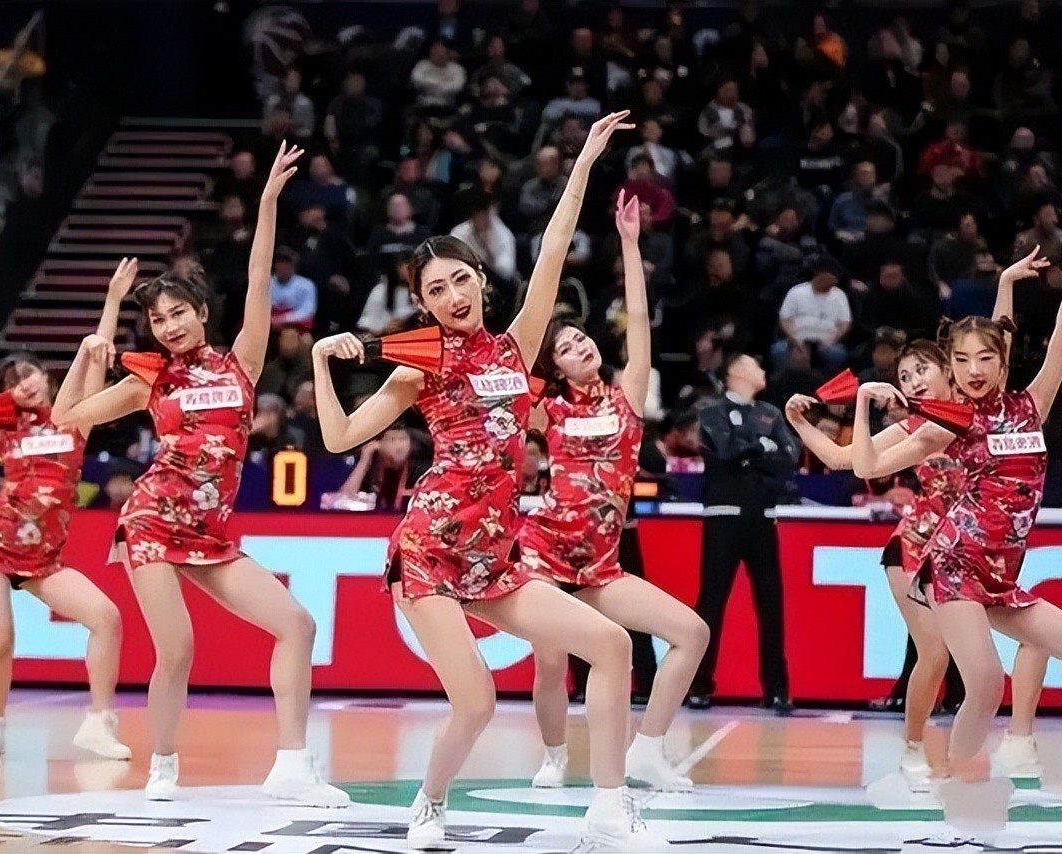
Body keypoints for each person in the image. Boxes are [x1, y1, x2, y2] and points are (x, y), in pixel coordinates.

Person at [310, 113, 665, 852]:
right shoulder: (418, 367)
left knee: (611, 645)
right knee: (474, 703)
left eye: (460, 279)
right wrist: (320, 362)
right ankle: (429, 804)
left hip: (496, 559)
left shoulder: (516, 346)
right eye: (435, 289)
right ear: (424, 304)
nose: (452, 295)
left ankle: (610, 804)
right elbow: (340, 438)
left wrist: (583, 163)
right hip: (431, 553)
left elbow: (554, 248)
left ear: (479, 281)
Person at [52, 145, 348, 807]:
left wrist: (267, 202)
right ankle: (162, 766)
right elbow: (67, 416)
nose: (169, 325)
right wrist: (88, 351)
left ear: (202, 312)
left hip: (211, 535)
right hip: (152, 521)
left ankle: (292, 766)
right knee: (178, 648)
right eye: (157, 320)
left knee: (297, 625)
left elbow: (259, 275)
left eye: (177, 312)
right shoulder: (150, 379)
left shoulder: (242, 362)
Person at [850, 215, 1062, 841]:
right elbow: (867, 466)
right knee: (984, 680)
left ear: (1002, 360)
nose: (974, 368)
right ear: (951, 368)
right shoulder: (949, 421)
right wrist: (867, 410)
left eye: (985, 357)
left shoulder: (1032, 401)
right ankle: (953, 795)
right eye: (961, 360)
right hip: (953, 566)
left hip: (1002, 578)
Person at [785, 248, 1049, 789]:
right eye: (904, 376)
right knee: (934, 650)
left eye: (921, 368)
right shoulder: (917, 427)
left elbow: (997, 341)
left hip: (972, 551)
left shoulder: (983, 409)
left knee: (1032, 641)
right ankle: (912, 748)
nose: (912, 380)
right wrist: (802, 424)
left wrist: (1005, 280)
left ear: (950, 368)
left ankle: (1017, 743)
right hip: (915, 546)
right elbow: (846, 461)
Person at [523, 193, 709, 794]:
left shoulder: (627, 394)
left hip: (601, 565)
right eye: (566, 348)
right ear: (555, 368)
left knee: (692, 634)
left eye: (582, 339)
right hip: (545, 554)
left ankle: (647, 752)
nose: (581, 347)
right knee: (551, 660)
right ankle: (554, 756)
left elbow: (640, 318)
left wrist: (630, 244)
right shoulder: (548, 410)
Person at [0, 259, 138, 760]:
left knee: (106, 618)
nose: (25, 384)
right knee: (1, 637)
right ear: (7, 392)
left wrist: (113, 300)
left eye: (30, 375)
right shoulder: (3, 433)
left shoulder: (74, 420)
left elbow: (96, 354)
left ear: (46, 377)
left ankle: (98, 724)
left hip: (43, 558)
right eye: (13, 380)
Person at [687, 351, 800, 713]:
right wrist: (760, 448)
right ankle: (698, 684)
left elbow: (789, 456)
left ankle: (777, 689)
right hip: (723, 516)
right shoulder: (711, 410)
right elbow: (724, 449)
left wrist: (753, 453)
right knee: (712, 602)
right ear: (735, 371)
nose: (762, 370)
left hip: (762, 516)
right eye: (755, 365)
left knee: (771, 605)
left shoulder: (771, 413)